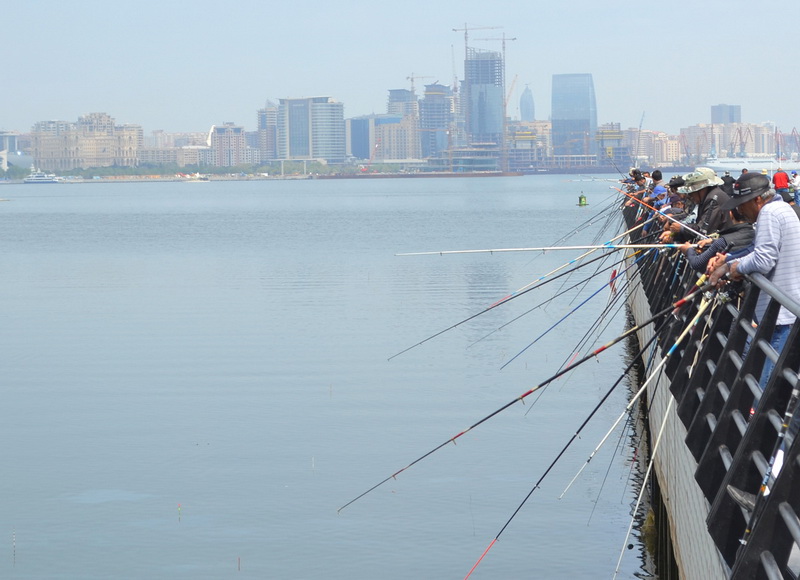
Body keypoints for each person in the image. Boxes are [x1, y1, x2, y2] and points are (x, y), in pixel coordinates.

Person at [661, 167, 732, 243]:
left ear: (701, 189)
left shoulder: (713, 199)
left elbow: (703, 230)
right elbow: (698, 226)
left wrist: (681, 228)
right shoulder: (706, 198)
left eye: (692, 192)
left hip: (724, 245)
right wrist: (673, 235)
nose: (690, 196)